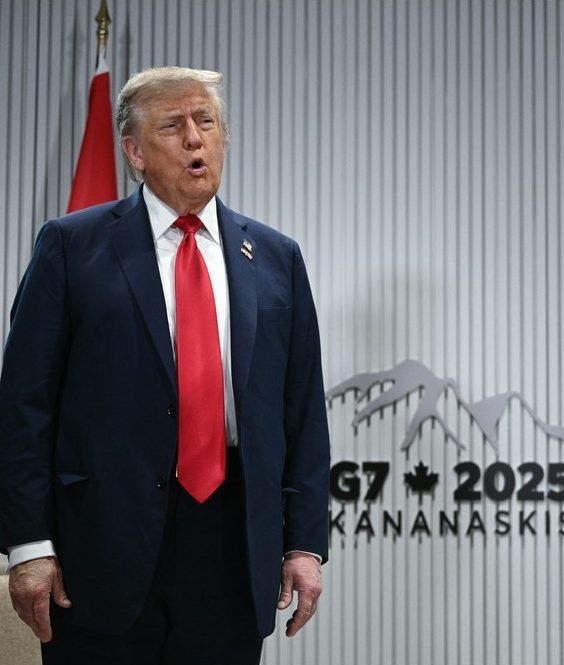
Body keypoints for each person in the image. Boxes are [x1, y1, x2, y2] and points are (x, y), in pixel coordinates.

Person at [0, 66, 331, 665]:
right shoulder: (72, 246)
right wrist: (28, 544)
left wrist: (305, 543)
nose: (195, 138)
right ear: (134, 152)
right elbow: (24, 405)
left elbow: (303, 411)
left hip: (233, 548)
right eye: (173, 126)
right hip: (100, 548)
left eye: (207, 122)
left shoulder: (276, 258)